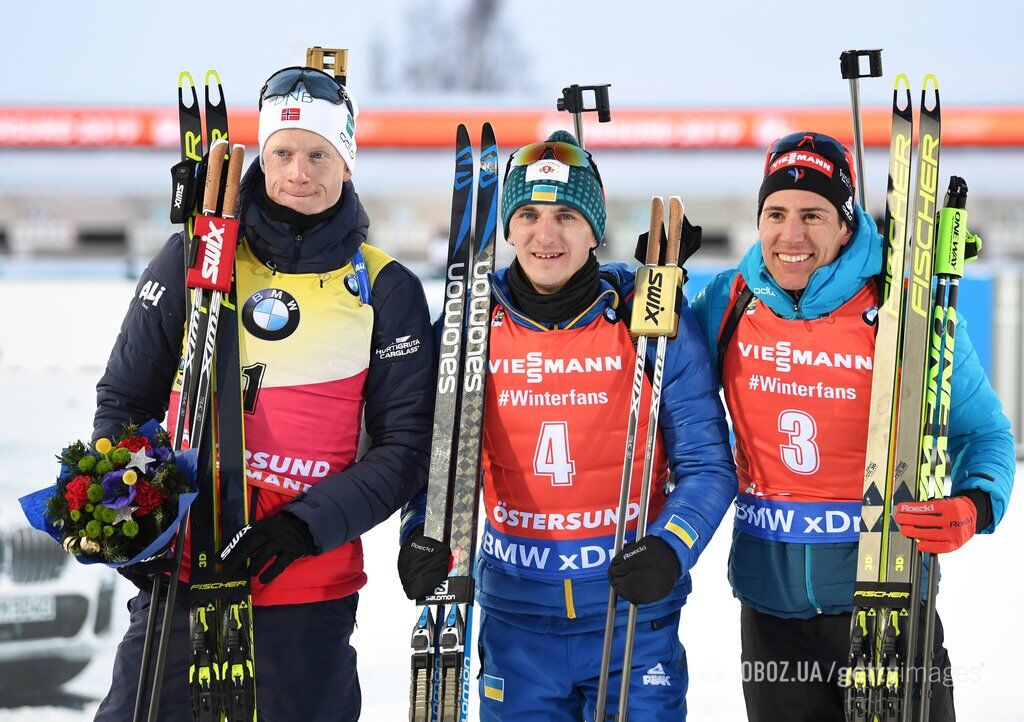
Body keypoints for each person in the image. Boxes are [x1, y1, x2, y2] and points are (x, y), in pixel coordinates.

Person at [93, 65, 434, 720]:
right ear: (262, 156)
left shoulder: (386, 287)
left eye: (318, 154)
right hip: (184, 575)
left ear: (347, 162)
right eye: (282, 152)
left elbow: (405, 448)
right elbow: (126, 399)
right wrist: (138, 518)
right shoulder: (192, 255)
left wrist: (303, 529)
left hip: (305, 587)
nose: (298, 172)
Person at [397, 130, 737, 721]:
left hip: (632, 616)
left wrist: (671, 547)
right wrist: (417, 537)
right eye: (527, 214)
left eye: (566, 216)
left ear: (594, 229)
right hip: (515, 620)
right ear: (506, 228)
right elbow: (435, 463)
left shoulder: (647, 321)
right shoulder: (468, 327)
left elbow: (708, 465)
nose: (545, 235)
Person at [690, 131, 1016, 721]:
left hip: (887, 598)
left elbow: (985, 434)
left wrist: (975, 503)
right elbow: (665, 396)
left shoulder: (901, 308)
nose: (791, 235)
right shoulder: (729, 300)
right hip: (770, 612)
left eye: (813, 214)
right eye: (776, 213)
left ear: (845, 223)